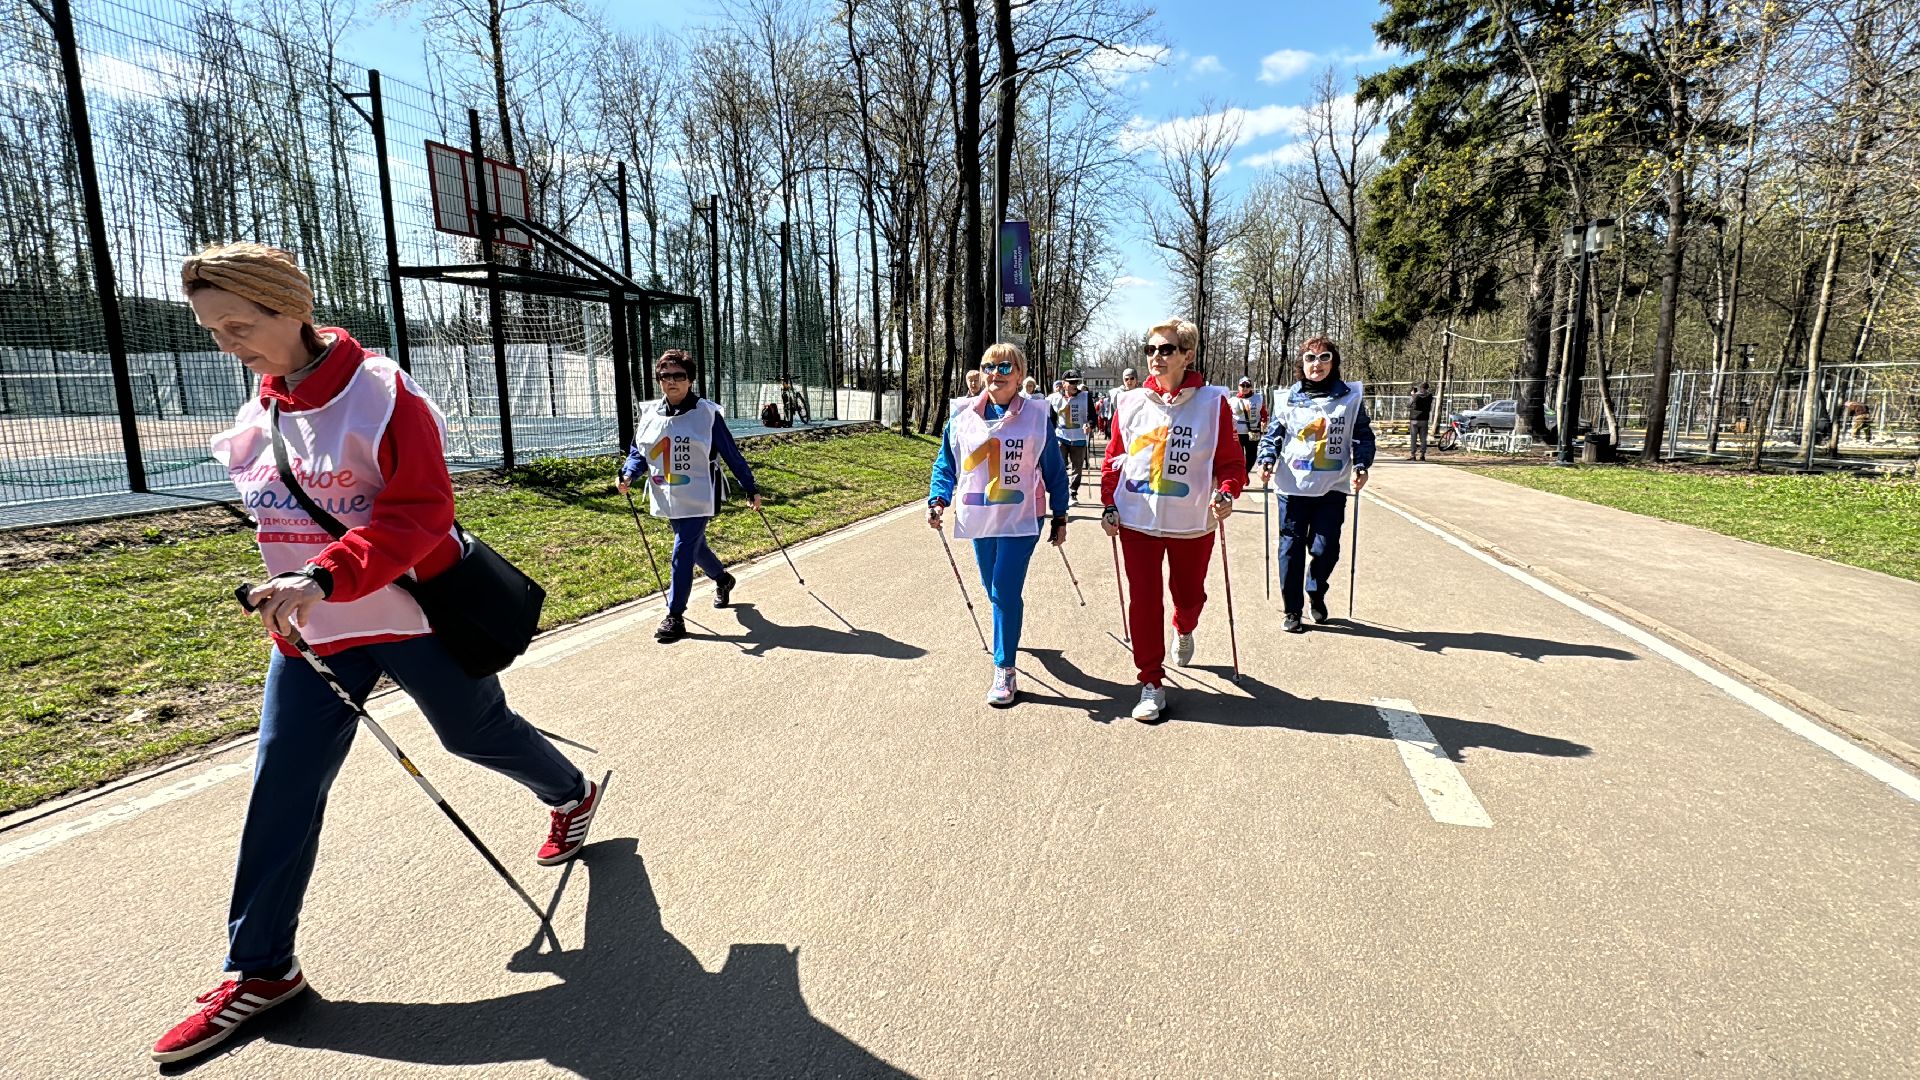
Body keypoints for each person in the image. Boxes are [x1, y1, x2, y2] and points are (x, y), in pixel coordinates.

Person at [156, 243, 600, 1065]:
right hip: (315, 635)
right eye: (212, 330)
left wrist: (326, 573)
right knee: (280, 785)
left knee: (474, 735)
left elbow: (422, 514)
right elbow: (279, 521)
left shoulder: (381, 393)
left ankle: (570, 791)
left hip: (410, 616)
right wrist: (282, 588)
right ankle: (262, 970)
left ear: (289, 305)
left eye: (239, 325)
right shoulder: (263, 412)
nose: (227, 344)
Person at [1101, 318, 1245, 723]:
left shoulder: (1213, 403)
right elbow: (1115, 457)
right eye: (1150, 349)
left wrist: (1228, 491)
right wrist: (1108, 503)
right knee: (1144, 601)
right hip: (1137, 521)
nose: (1156, 357)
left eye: (1166, 349)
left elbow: (1231, 462)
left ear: (1187, 355)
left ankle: (1185, 626)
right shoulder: (1129, 402)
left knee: (1190, 596)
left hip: (1193, 522)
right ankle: (1151, 682)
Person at [928, 343, 1070, 706]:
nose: (996, 374)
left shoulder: (1037, 416)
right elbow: (946, 464)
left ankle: (1004, 669)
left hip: (1022, 518)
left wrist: (1060, 514)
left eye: (1005, 367)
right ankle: (1008, 632)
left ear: (1020, 375)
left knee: (1005, 589)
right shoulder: (961, 415)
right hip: (980, 515)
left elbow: (1052, 468)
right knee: (993, 588)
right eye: (988, 366)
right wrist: (938, 499)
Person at [618, 349, 762, 644]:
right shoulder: (649, 415)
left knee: (682, 550)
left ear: (690, 380)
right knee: (695, 549)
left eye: (678, 376)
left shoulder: (706, 414)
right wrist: (629, 474)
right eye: (665, 376)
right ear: (659, 380)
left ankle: (675, 615)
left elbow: (731, 454)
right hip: (667, 491)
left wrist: (750, 487)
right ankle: (723, 579)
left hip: (699, 493)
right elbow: (639, 451)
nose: (672, 381)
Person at [1255, 337, 1376, 634]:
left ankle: (1316, 590)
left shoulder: (1351, 398)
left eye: (1324, 357)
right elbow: (1274, 435)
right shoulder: (1286, 398)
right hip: (1292, 487)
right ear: (1302, 363)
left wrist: (1362, 464)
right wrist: (1267, 458)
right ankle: (1292, 609)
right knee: (1291, 549)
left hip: (1332, 486)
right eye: (1310, 358)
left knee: (1326, 549)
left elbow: (1362, 434)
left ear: (1333, 362)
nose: (1317, 364)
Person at [1046, 370, 1094, 503]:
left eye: (1076, 382)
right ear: (1063, 384)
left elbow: (1092, 417)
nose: (1075, 385)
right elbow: (1051, 420)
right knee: (1060, 465)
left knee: (1077, 467)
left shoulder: (1085, 396)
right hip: (1061, 437)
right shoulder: (1054, 398)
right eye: (1071, 382)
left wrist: (1089, 424)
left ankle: (1073, 491)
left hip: (1079, 437)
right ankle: (1062, 491)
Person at [1228, 376, 1267, 480]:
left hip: (1253, 431)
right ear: (1238, 386)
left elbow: (1263, 412)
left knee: (1251, 456)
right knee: (1238, 456)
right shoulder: (1232, 400)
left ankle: (1245, 472)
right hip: (1237, 432)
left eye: (1248, 386)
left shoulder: (1258, 398)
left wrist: (1264, 420)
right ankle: (1240, 476)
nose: (1245, 388)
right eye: (1242, 385)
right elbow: (1226, 414)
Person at [1408, 381, 1434, 460]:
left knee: (1413, 438)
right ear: (1427, 388)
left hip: (1414, 419)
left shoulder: (1415, 396)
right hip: (1424, 419)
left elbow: (1408, 405)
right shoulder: (1429, 396)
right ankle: (1422, 455)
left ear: (1420, 387)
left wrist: (1412, 395)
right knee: (1423, 438)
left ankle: (1413, 455)